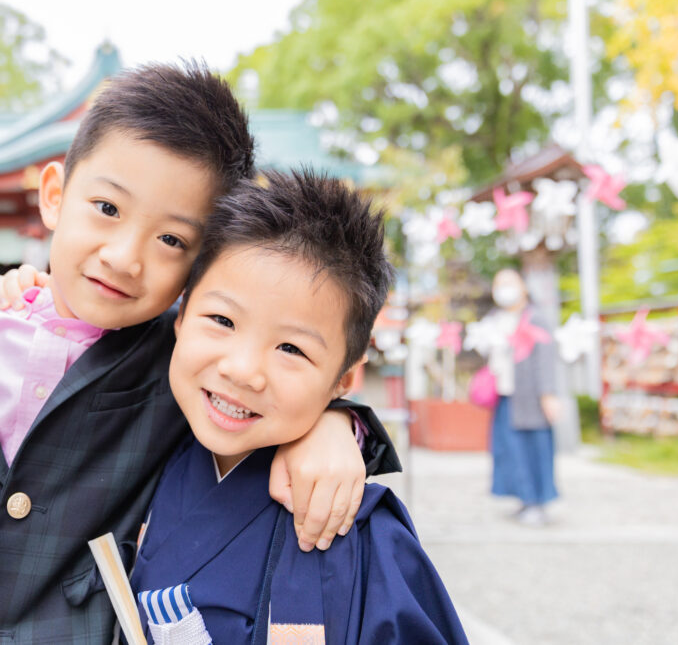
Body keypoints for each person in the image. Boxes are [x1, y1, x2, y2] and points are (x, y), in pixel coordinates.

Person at [0, 62, 395, 644]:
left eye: (172, 238)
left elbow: (270, 382)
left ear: (200, 266)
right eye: (106, 208)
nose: (124, 256)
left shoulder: (175, 365)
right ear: (54, 196)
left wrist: (339, 427)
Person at [128, 169, 466, 644]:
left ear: (344, 378)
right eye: (222, 319)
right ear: (180, 314)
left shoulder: (361, 531)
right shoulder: (129, 451)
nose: (244, 370)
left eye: (291, 349)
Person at [486, 268, 560, 526]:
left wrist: (548, 394)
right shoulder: (495, 319)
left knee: (534, 448)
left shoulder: (535, 318)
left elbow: (546, 359)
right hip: (505, 396)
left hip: (531, 397)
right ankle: (523, 498)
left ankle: (536, 503)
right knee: (511, 451)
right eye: (499, 283)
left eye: (509, 283)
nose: (503, 288)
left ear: (524, 287)